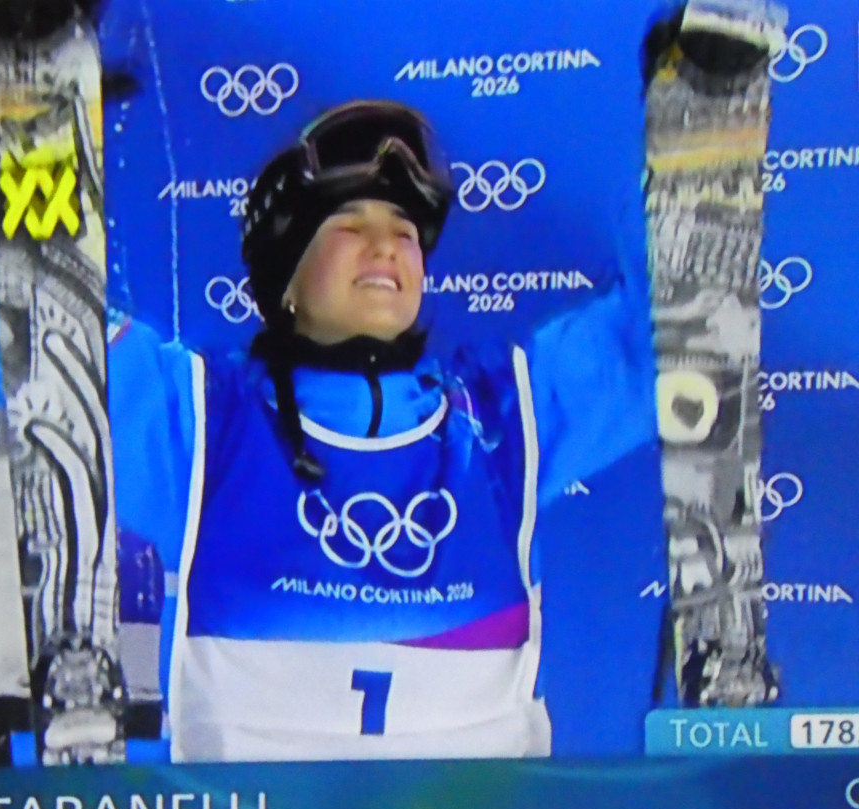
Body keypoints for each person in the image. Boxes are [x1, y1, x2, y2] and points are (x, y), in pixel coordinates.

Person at [109, 100, 659, 762]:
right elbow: (42, 344)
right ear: (286, 276)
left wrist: (691, 130)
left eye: (404, 232)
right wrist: (33, 142)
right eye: (349, 224)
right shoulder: (201, 424)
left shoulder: (504, 418)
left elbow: (668, 328)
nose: (385, 247)